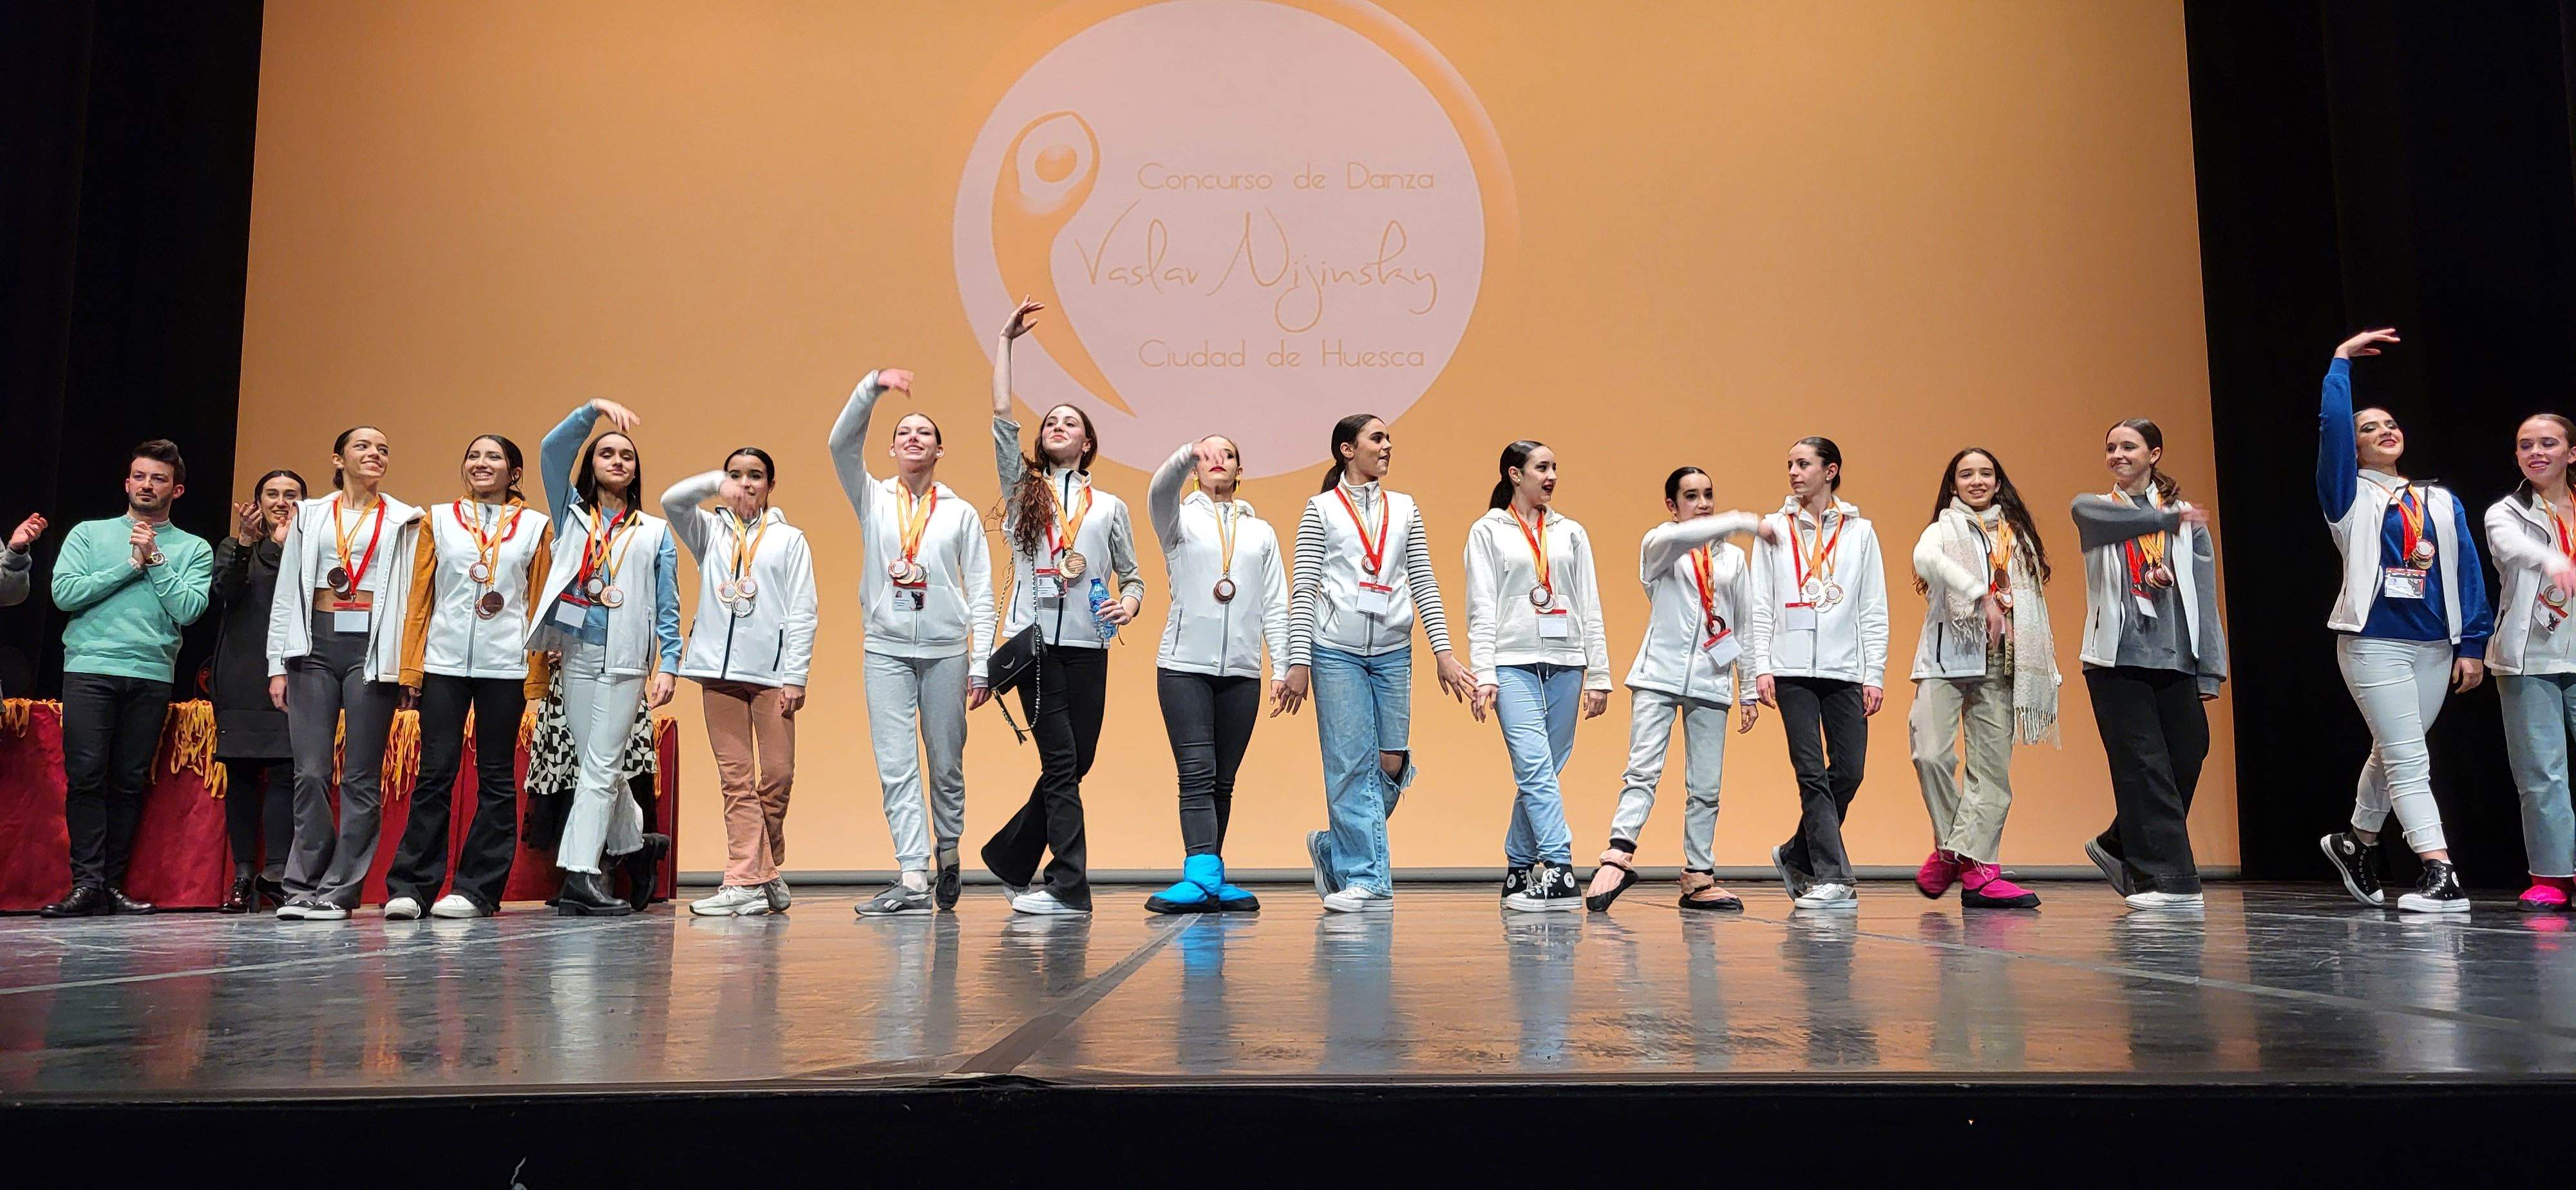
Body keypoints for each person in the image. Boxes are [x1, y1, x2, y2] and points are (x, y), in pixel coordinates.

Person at [2307, 329, 2486, 914]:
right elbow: (2333, 428)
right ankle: (2439, 869)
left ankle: (2356, 842)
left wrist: (2473, 643)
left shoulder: (2439, 499)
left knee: (2393, 751)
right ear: (2354, 449)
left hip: (2436, 645)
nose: (2384, 431)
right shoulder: (2346, 495)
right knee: (2410, 758)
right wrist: (2340, 364)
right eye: (2369, 428)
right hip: (2374, 643)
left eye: (2389, 424)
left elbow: (2467, 575)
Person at [981, 298, 1146, 918]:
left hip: (1089, 645)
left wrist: (1128, 606)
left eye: (1069, 421)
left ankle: (1010, 856)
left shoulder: (1109, 508)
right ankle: (1068, 887)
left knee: (1078, 763)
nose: (1056, 425)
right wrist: (1006, 341)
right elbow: (1002, 417)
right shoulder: (1023, 491)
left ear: (1087, 442)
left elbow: (1132, 578)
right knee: (1059, 761)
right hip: (1036, 646)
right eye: (1049, 420)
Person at [1286, 412, 1475, 913]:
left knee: (1390, 763)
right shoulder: (1320, 510)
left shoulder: (1406, 508)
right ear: (1348, 450)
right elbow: (1303, 588)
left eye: (1389, 437)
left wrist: (1444, 652)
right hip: (1335, 651)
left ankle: (1333, 847)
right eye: (1377, 438)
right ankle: (1367, 878)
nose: (1388, 445)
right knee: (1350, 765)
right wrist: (1297, 661)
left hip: (1393, 650)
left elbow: (1424, 582)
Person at [830, 367, 994, 917]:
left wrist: (982, 664)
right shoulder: (872, 498)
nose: (914, 438)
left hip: (948, 650)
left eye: (924, 432)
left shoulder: (961, 513)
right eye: (904, 433)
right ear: (892, 447)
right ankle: (911, 874)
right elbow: (839, 443)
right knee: (896, 765)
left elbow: (984, 590)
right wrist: (871, 388)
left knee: (946, 762)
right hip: (886, 648)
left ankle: (948, 854)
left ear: (940, 449)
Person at [1584, 466, 1773, 913]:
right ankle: (1619, 854)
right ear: (1672, 506)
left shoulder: (1732, 561)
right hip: (1658, 676)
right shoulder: (1661, 547)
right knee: (1642, 771)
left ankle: (1699, 875)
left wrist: (1746, 689)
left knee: (1706, 786)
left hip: (1712, 680)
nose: (1703, 503)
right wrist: (1743, 520)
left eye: (1708, 494)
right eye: (1692, 496)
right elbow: (1679, 540)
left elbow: (1742, 625)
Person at [39, 440, 213, 918]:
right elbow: (65, 595)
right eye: (140, 476)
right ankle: (86, 883)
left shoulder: (193, 547)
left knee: (129, 782)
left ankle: (112, 884)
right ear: (127, 483)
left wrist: (155, 559)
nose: (147, 485)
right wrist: (129, 564)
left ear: (175, 490)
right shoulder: (89, 534)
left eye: (158, 479)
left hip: (151, 673)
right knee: (87, 777)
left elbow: (190, 610)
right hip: (90, 668)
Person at [384, 435, 554, 920]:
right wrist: (411, 669)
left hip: (506, 666)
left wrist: (538, 672)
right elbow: (420, 600)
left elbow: (540, 602)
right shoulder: (437, 520)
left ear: (513, 473)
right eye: (474, 456)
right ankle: (411, 888)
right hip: (444, 663)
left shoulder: (534, 527)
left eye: (493, 457)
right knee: (434, 774)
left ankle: (477, 890)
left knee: (497, 778)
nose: (481, 464)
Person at [530, 399, 681, 918]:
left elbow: (668, 606)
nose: (618, 462)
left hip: (624, 660)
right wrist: (591, 410)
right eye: (607, 454)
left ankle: (579, 874)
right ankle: (637, 847)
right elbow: (551, 452)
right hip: (575, 653)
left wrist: (669, 665)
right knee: (603, 766)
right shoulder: (571, 514)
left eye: (627, 457)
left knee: (597, 767)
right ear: (591, 464)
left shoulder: (655, 531)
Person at [269, 427, 427, 921]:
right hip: (313, 645)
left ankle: (340, 890)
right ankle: (302, 884)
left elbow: (410, 599)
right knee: (310, 772)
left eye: (383, 448)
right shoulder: (310, 514)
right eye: (363, 447)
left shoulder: (405, 519)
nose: (375, 454)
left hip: (371, 649)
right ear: (338, 458)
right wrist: (277, 663)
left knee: (361, 777)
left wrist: (406, 668)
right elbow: (285, 590)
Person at [2074, 418, 2228, 912]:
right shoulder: (2098, 509)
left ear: (2154, 454)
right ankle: (2165, 879)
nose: (2117, 455)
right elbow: (2100, 522)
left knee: (2189, 751)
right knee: (2144, 766)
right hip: (2115, 659)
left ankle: (2119, 842)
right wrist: (2163, 522)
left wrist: (2211, 668)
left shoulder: (2184, 518)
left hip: (2177, 659)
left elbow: (2205, 596)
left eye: (2129, 447)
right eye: (2110, 448)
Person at [664, 441, 817, 917]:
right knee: (737, 780)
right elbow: (672, 500)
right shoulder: (708, 530)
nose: (746, 483)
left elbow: (803, 611)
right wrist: (715, 483)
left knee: (776, 777)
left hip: (772, 675)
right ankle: (743, 880)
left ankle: (763, 872)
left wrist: (796, 675)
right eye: (737, 474)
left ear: (772, 485)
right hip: (717, 673)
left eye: (755, 475)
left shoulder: (790, 539)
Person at [1141, 433, 1291, 914]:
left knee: (1222, 780)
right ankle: (1200, 872)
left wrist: (1283, 667)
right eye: (1208, 456)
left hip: (1243, 672)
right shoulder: (1179, 521)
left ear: (1239, 470)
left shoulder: (1261, 533)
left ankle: (1210, 876)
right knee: (1196, 773)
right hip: (1184, 668)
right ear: (1196, 470)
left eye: (1228, 454)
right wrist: (1184, 452)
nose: (1217, 461)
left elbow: (1276, 603)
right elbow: (1157, 492)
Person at [1907, 448, 2059, 911]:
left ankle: (1977, 872)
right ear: (1953, 486)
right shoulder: (1941, 529)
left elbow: (2034, 604)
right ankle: (1957, 851)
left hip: (2004, 661)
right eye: (1966, 474)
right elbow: (1924, 560)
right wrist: (1981, 596)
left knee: (1990, 772)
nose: (1977, 481)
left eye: (1986, 474)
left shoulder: (2020, 537)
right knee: (1929, 753)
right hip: (1947, 658)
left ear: (1998, 482)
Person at [1464, 440, 1611, 912]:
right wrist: (1485, 672)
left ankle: (1518, 867)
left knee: (1545, 769)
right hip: (1511, 661)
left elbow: (1589, 604)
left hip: (1568, 661)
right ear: (1514, 474)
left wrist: (1600, 674)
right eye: (1541, 468)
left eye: (1555, 468)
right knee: (1533, 765)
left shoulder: (1571, 532)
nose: (1551, 476)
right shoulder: (1488, 531)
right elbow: (1481, 607)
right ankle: (1560, 869)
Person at [1745, 437, 1889, 910]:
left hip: (1845, 668)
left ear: (1830, 471)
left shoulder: (1860, 532)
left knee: (1850, 771)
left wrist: (1875, 674)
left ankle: (1794, 853)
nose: (1793, 472)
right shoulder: (1772, 529)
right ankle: (1833, 877)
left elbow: (1872, 608)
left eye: (1803, 464)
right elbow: (1759, 604)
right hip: (1789, 670)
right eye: (1789, 464)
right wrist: (1760, 669)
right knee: (1811, 772)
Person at [2486, 412, 2576, 911]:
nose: (2536, 452)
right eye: (2526, 445)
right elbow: (2510, 548)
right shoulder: (2507, 511)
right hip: (2527, 659)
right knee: (2542, 773)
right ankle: (2553, 877)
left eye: (2548, 443)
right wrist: (2552, 558)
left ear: (2571, 453)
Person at [209, 470, 303, 912]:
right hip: (243, 669)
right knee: (243, 773)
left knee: (287, 770)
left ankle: (278, 872)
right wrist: (252, 544)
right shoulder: (235, 547)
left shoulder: (312, 548)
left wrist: (284, 546)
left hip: (294, 669)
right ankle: (243, 874)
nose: (281, 501)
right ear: (257, 502)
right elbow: (225, 592)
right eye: (272, 494)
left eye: (291, 494)